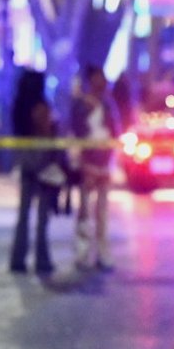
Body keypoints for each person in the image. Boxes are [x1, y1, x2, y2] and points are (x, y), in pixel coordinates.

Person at [9, 69, 63, 276]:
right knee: (42, 218)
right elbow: (49, 132)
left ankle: (18, 259)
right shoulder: (40, 107)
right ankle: (42, 260)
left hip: (25, 164)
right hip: (43, 165)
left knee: (23, 216)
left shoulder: (18, 107)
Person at [71, 64, 121, 271]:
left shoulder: (109, 104)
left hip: (105, 161)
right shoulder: (81, 104)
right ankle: (83, 253)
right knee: (84, 209)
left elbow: (116, 130)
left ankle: (102, 252)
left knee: (102, 211)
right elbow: (76, 131)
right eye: (97, 78)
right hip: (88, 160)